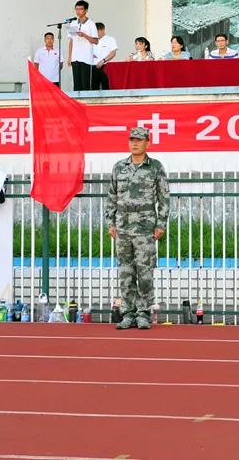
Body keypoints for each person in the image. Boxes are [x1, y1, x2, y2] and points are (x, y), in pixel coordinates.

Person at [106, 127, 170, 331]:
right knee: (125, 271)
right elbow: (112, 196)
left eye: (139, 140)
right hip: (123, 225)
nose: (134, 143)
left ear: (147, 143)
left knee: (144, 271)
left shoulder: (155, 167)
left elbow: (164, 197)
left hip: (145, 226)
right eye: (132, 140)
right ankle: (127, 313)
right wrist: (110, 222)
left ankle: (143, 313)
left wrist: (161, 223)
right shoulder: (119, 167)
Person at [66, 0, 98, 92]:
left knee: (85, 84)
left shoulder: (91, 24)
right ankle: (76, 101)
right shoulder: (73, 23)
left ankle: (86, 101)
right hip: (75, 57)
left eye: (80, 9)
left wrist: (84, 35)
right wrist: (70, 57)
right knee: (76, 84)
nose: (78, 11)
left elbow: (95, 41)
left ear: (86, 10)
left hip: (86, 58)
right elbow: (71, 41)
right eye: (76, 9)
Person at [92, 22, 118, 90]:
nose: (95, 34)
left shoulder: (110, 39)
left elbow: (113, 53)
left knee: (106, 87)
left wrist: (103, 61)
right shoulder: (93, 40)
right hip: (93, 67)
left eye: (97, 32)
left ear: (103, 30)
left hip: (106, 67)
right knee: (93, 88)